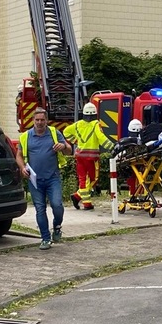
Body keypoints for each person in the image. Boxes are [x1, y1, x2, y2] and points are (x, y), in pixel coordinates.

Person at [16, 108, 72, 250]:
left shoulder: (54, 133)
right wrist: (22, 168)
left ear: (46, 120)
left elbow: (69, 150)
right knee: (40, 209)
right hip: (35, 180)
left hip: (53, 178)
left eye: (42, 120)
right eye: (37, 120)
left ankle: (57, 226)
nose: (40, 122)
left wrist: (63, 146)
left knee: (57, 205)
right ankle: (45, 238)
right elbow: (19, 155)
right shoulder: (25, 136)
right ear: (33, 120)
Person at [63, 102, 114, 210]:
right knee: (93, 179)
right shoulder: (96, 124)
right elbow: (101, 137)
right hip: (91, 157)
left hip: (80, 156)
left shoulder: (77, 124)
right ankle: (78, 197)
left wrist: (75, 141)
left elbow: (66, 131)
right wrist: (112, 147)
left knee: (83, 178)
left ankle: (85, 202)